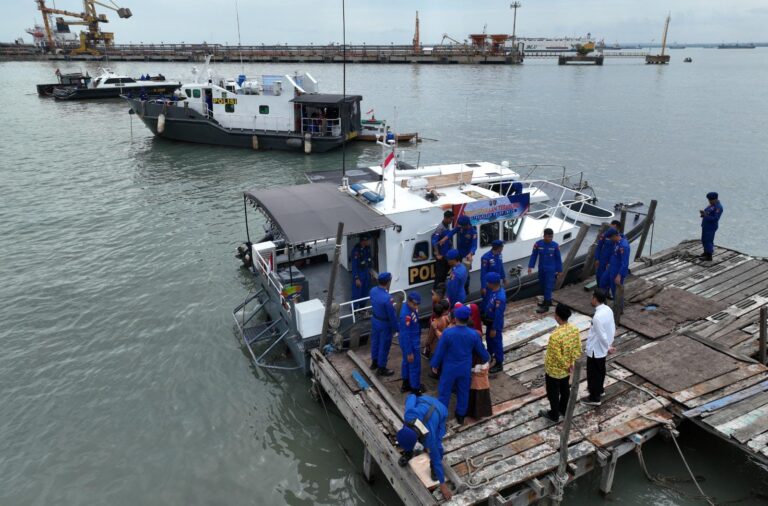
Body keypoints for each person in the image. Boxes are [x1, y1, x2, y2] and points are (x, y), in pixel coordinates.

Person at [430, 305, 490, 425]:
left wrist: (435, 364)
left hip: (449, 369)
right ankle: (461, 415)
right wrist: (486, 358)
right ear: (468, 318)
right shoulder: (473, 334)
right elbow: (482, 353)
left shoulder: (447, 333)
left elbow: (440, 351)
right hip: (465, 369)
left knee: (444, 392)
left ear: (455, 318)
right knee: (463, 392)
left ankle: (442, 415)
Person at [396, 394, 453, 500]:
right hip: (425, 400)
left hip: (441, 410)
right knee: (406, 425)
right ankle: (408, 453)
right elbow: (411, 396)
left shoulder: (429, 439)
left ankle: (433, 470)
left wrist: (443, 484)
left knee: (438, 446)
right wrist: (418, 400)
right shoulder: (409, 415)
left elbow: (436, 460)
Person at [540, 303, 582, 422]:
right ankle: (563, 409)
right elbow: (578, 348)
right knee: (564, 389)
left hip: (554, 370)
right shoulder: (574, 329)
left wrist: (566, 365)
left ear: (557, 317)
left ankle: (554, 414)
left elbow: (557, 356)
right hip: (567, 369)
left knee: (553, 392)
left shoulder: (555, 336)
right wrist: (571, 363)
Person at [582, 289, 616, 406]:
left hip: (596, 348)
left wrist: (608, 347)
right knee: (600, 370)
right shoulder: (608, 310)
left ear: (595, 299)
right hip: (602, 348)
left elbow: (601, 335)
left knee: (593, 373)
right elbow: (611, 328)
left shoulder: (597, 317)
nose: (591, 299)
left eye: (592, 297)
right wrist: (609, 344)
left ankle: (594, 397)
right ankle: (599, 390)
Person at [369, 272, 398, 376]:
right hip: (384, 324)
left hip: (375, 320)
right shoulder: (387, 298)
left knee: (375, 342)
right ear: (388, 282)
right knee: (384, 345)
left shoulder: (372, 291)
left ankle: (374, 362)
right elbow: (392, 316)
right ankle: (381, 368)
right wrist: (397, 328)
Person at [528, 228, 563, 313]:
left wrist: (560, 270)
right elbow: (534, 255)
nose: (550, 239)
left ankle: (546, 307)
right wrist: (530, 266)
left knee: (548, 286)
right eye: (548, 237)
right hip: (541, 269)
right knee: (542, 285)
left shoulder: (555, 246)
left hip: (550, 270)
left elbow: (558, 259)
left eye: (551, 237)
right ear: (544, 236)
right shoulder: (538, 244)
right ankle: (547, 301)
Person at [482, 272, 507, 373]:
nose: (486, 284)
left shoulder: (499, 298)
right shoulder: (493, 291)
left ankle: (499, 363)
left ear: (493, 283)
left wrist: (494, 328)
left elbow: (498, 315)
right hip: (489, 321)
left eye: (488, 282)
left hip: (495, 324)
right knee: (489, 339)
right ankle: (490, 355)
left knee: (496, 342)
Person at [399, 292, 424, 394]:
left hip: (409, 342)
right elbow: (406, 334)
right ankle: (415, 388)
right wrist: (409, 352)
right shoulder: (406, 315)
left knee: (406, 363)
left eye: (417, 304)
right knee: (414, 365)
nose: (416, 307)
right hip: (411, 343)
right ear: (409, 301)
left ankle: (406, 383)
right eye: (414, 304)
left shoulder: (410, 308)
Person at [599, 228, 630, 300]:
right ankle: (603, 302)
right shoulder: (617, 241)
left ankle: (618, 309)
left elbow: (625, 263)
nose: (609, 239)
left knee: (615, 290)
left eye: (610, 238)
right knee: (603, 281)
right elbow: (614, 254)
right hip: (611, 267)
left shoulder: (624, 246)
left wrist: (619, 275)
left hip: (618, 270)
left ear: (614, 236)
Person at [431, 210, 455, 286]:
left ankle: (441, 288)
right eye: (451, 219)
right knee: (439, 275)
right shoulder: (440, 228)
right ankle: (435, 290)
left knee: (445, 273)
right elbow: (434, 241)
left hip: (447, 254)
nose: (451, 221)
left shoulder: (447, 226)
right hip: (441, 256)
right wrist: (437, 254)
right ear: (446, 218)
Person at [595, 220, 622, 284]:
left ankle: (606, 291)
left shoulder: (621, 237)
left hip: (612, 261)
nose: (610, 226)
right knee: (599, 275)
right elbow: (599, 247)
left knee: (609, 277)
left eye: (611, 225)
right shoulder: (605, 235)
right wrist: (597, 258)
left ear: (615, 226)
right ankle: (599, 289)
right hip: (602, 259)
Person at [350, 235, 373, 308]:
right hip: (359, 274)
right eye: (369, 240)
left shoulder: (367, 248)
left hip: (366, 272)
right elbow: (354, 266)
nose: (370, 242)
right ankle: (354, 310)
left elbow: (368, 260)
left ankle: (362, 308)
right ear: (364, 241)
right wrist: (356, 278)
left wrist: (370, 270)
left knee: (365, 292)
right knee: (357, 293)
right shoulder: (356, 251)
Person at [699, 192, 723, 262]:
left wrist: (705, 215)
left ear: (715, 199)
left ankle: (709, 256)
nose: (709, 201)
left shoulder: (718, 207)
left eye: (710, 200)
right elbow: (708, 212)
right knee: (703, 239)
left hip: (711, 226)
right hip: (706, 225)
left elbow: (715, 219)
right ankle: (706, 252)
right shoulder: (711, 205)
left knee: (708, 240)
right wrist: (703, 214)